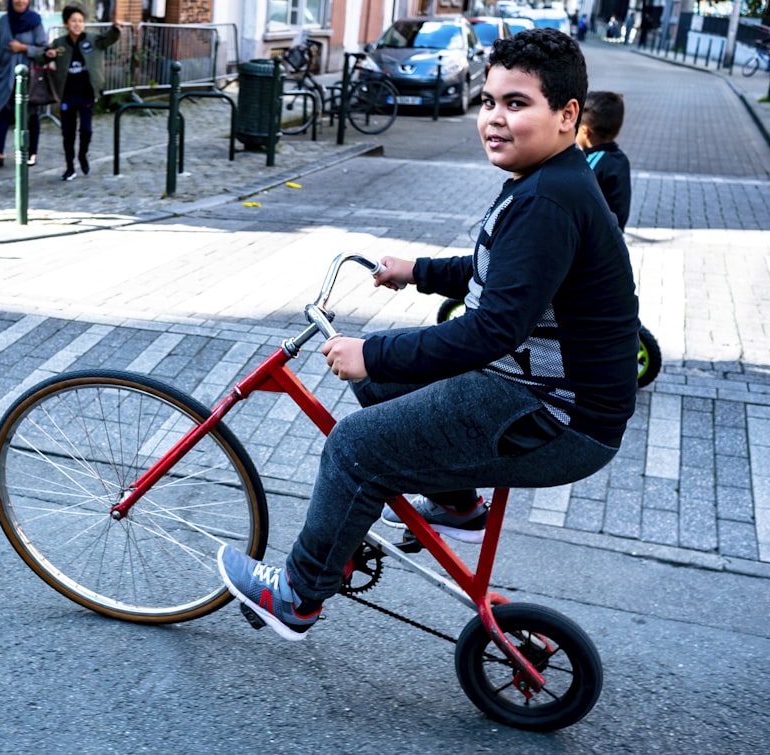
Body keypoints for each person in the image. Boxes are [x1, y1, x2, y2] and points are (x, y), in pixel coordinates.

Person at [217, 27, 640, 642]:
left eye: (516, 104)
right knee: (388, 384)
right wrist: (416, 272)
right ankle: (459, 505)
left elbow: (492, 328)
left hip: (555, 414)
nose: (494, 119)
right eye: (488, 101)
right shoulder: (551, 181)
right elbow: (501, 273)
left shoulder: (550, 201)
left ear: (567, 114)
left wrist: (371, 350)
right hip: (548, 395)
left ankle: (297, 596)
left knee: (354, 448)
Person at [42, 4, 121, 181]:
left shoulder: (92, 40)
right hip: (67, 93)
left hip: (86, 92)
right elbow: (44, 55)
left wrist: (115, 28)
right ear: (66, 24)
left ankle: (83, 155)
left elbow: (109, 39)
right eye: (73, 21)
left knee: (86, 130)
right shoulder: (60, 43)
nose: (77, 24)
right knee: (67, 132)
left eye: (80, 21)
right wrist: (48, 55)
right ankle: (70, 167)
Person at [0, 0, 48, 168]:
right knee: (2, 111)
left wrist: (23, 48)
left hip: (27, 76)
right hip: (4, 75)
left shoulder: (35, 21)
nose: (20, 1)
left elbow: (44, 49)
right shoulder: (4, 21)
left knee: (31, 114)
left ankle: (32, 153)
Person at [577, 91, 632, 231]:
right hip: (613, 237)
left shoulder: (592, 165)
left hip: (595, 242)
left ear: (585, 132)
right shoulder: (619, 158)